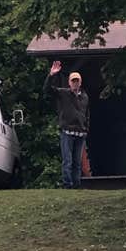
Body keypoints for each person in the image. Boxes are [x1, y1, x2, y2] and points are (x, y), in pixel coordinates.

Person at [45, 60, 90, 188]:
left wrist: (86, 128)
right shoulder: (63, 93)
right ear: (69, 82)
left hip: (81, 132)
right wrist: (51, 75)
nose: (75, 83)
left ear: (80, 82)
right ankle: (67, 185)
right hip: (67, 132)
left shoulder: (85, 97)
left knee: (77, 162)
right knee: (67, 161)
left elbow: (87, 113)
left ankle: (76, 185)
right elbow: (47, 90)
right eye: (73, 81)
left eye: (77, 81)